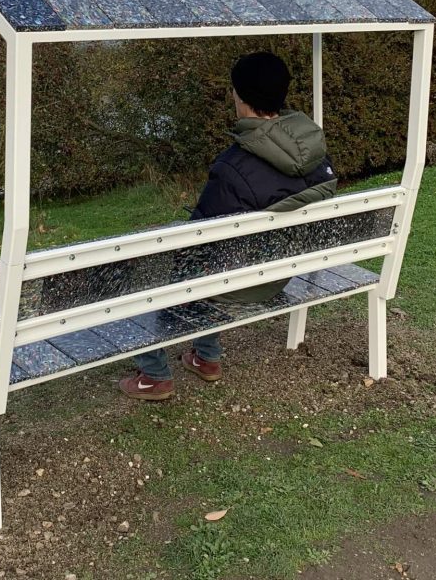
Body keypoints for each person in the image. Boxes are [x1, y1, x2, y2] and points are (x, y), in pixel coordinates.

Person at [119, 51, 337, 401]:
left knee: (150, 270)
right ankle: (205, 358)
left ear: (240, 96)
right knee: (214, 261)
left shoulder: (234, 167)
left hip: (239, 284)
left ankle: (155, 375)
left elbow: (195, 240)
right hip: (282, 273)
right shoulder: (316, 155)